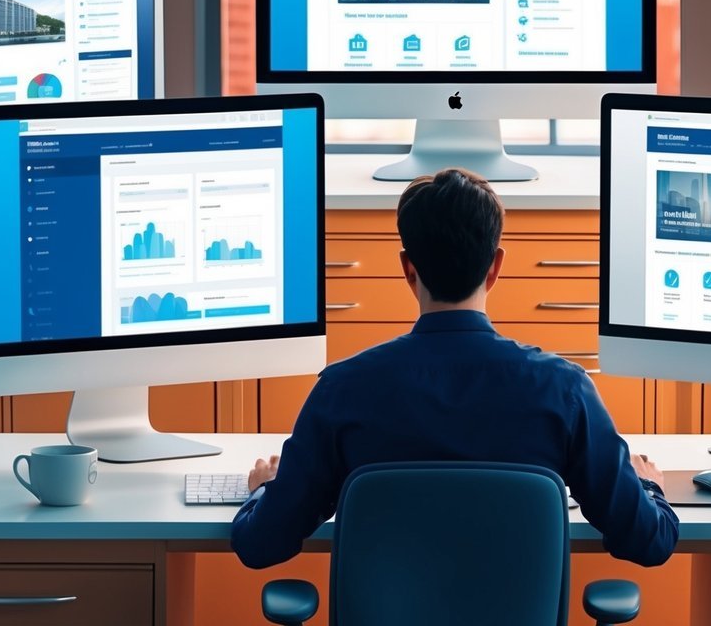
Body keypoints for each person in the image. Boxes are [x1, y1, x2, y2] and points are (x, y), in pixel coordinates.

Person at [231, 168, 679, 569]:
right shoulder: (563, 390)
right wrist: (649, 489)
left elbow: (260, 544)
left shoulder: (343, 390)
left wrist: (265, 491)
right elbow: (649, 541)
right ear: (496, 266)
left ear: (408, 269)